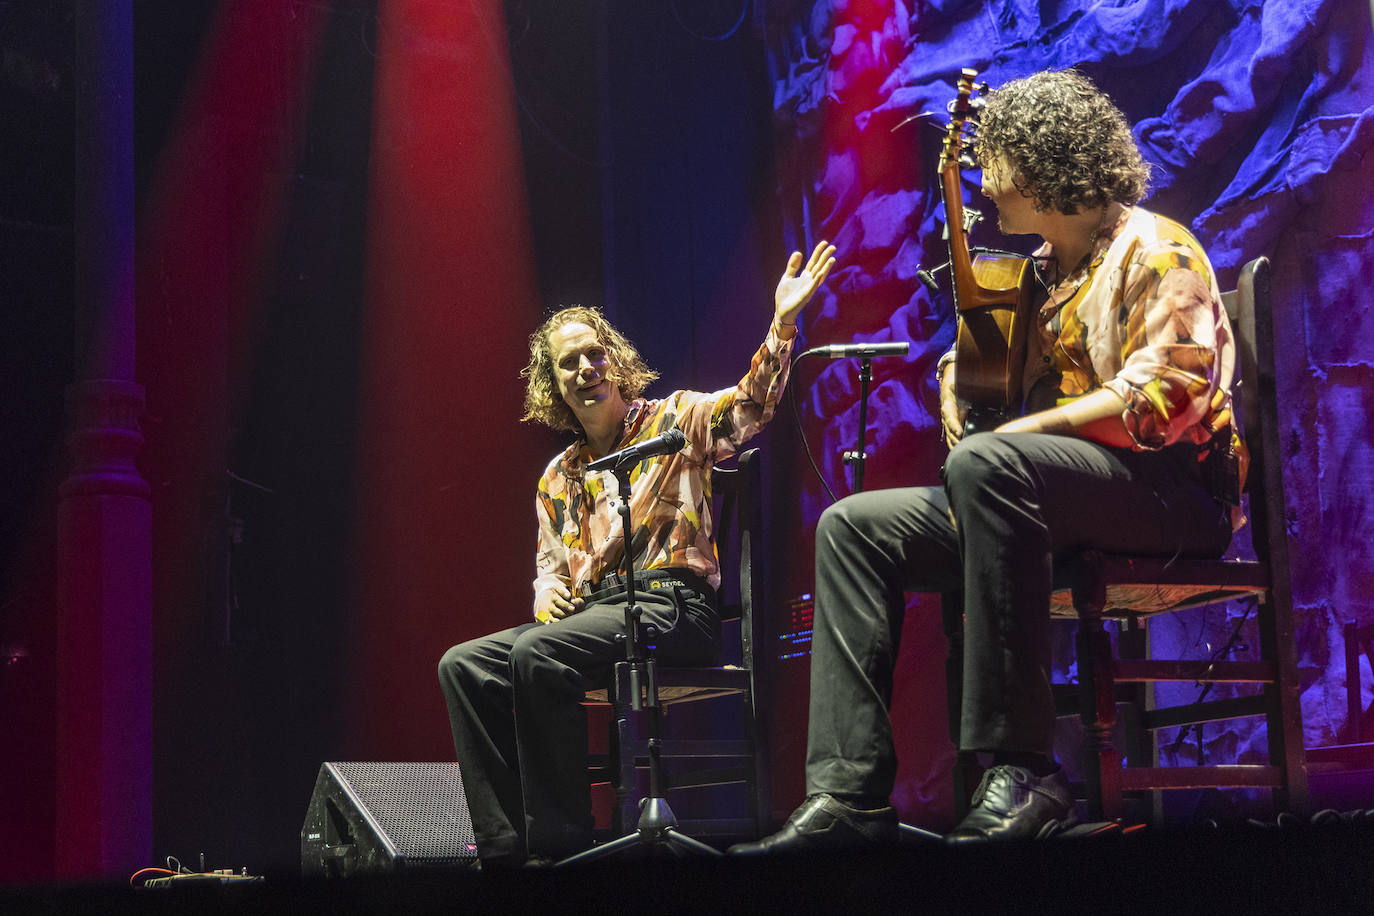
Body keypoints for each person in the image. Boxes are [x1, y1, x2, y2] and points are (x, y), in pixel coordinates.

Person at [731, 69, 1242, 853]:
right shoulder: (1044, 273)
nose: (983, 189)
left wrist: (1021, 433)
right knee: (853, 528)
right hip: (1063, 494)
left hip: (1172, 497)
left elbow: (1164, 403)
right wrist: (957, 384)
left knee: (987, 466)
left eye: (995, 168)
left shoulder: (1158, 251)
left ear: (1037, 169)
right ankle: (848, 794)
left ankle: (1026, 766)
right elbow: (993, 371)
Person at [438, 242, 836, 866]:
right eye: (570, 363)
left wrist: (782, 322)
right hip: (596, 620)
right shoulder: (557, 476)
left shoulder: (674, 421)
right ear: (554, 385)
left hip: (673, 608)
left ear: (616, 362)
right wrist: (544, 590)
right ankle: (504, 848)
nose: (587, 368)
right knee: (463, 665)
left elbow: (749, 409)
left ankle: (560, 850)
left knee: (537, 654)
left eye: (596, 354)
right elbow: (549, 567)